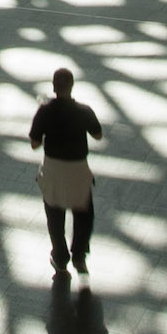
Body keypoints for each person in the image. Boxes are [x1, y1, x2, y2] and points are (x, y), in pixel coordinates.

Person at [30, 68, 103, 278]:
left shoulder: (44, 111)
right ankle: (79, 254)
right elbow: (98, 135)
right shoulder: (84, 110)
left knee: (55, 216)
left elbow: (34, 144)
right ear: (72, 86)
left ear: (53, 87)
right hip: (78, 170)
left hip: (53, 170)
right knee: (83, 214)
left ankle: (60, 258)